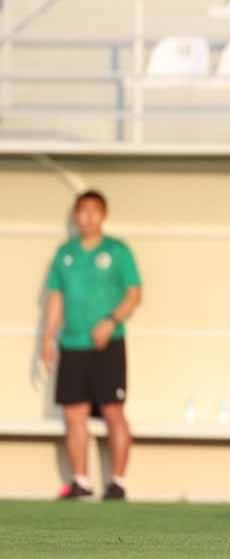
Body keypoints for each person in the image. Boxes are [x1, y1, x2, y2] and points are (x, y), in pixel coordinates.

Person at [41, 190, 143, 500]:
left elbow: (134, 293)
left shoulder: (117, 251)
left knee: (113, 411)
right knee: (74, 415)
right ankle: (81, 482)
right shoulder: (65, 254)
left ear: (103, 214)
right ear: (75, 215)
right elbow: (56, 296)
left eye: (93, 211)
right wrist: (48, 336)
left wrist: (111, 321)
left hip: (107, 344)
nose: (87, 217)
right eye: (82, 211)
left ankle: (118, 482)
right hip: (72, 344)